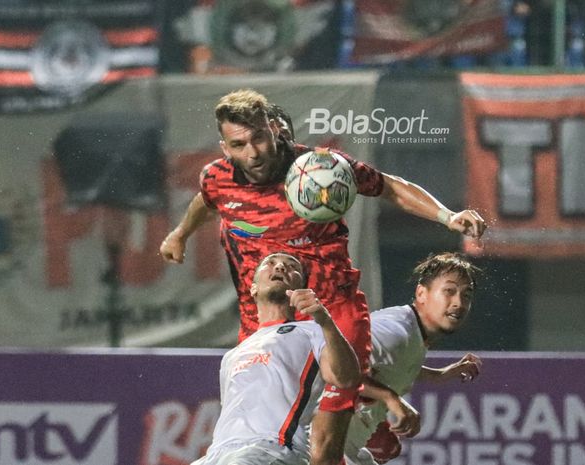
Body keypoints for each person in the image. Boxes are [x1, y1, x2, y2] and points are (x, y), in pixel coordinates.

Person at [160, 89, 487, 465]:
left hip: (332, 312)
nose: (252, 152)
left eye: (259, 139)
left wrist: (447, 216)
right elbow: (207, 198)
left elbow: (388, 185)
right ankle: (362, 441)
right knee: (266, 428)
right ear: (225, 147)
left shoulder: (321, 169)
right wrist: (179, 234)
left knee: (325, 446)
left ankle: (352, 435)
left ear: (274, 131)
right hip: (265, 320)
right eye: (239, 144)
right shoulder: (218, 178)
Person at [192, 252, 360, 465]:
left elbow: (345, 379)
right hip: (219, 452)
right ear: (253, 288)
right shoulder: (233, 355)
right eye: (270, 263)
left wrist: (325, 321)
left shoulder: (312, 330)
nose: (280, 267)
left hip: (272, 449)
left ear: (300, 288)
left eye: (292, 267)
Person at [345, 252, 483, 465]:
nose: (459, 302)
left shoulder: (413, 334)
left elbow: (393, 363)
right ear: (421, 293)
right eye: (449, 291)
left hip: (343, 447)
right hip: (319, 447)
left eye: (466, 295)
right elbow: (336, 369)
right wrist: (392, 399)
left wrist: (440, 375)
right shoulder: (394, 332)